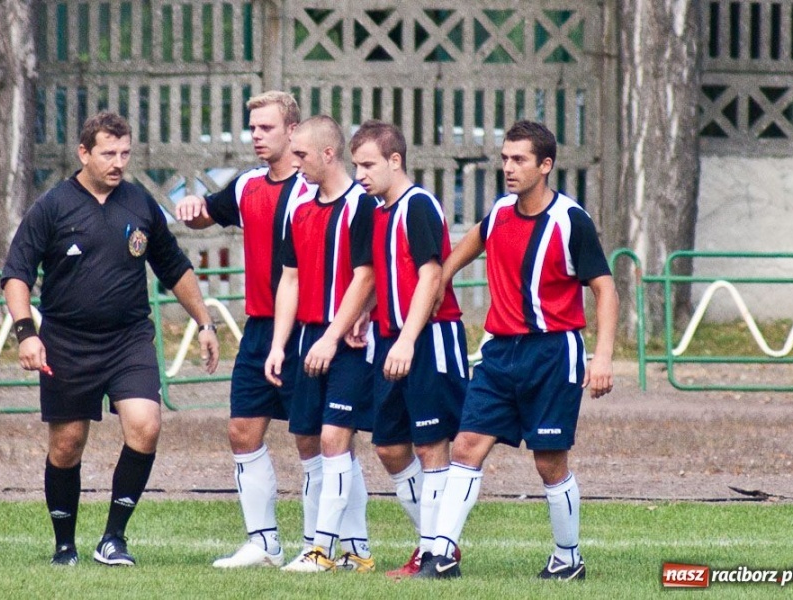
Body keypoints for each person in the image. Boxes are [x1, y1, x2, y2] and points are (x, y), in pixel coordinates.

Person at [1, 111, 221, 567]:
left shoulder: (139, 203)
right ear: (84, 153)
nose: (118, 162)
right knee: (67, 444)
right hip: (66, 340)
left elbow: (173, 267)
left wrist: (205, 322)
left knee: (146, 424)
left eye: (124, 153)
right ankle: (65, 546)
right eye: (108, 153)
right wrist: (27, 333)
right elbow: (16, 274)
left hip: (129, 339)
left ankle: (113, 539)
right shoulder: (53, 206)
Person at [416, 120, 618, 580]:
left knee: (549, 462)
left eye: (519, 159)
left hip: (552, 354)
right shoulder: (501, 212)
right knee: (466, 445)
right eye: (505, 158)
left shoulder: (571, 220)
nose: (508, 167)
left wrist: (602, 357)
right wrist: (437, 285)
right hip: (499, 353)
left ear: (545, 166)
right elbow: (456, 258)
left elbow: (605, 290)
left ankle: (568, 559)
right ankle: (441, 556)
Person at [175, 91, 320, 568]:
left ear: (293, 131)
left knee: (312, 438)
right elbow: (206, 216)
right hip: (259, 328)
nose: (257, 136)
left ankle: (321, 544)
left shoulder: (315, 189)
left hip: (307, 331)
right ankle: (264, 543)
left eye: (267, 127)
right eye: (253, 127)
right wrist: (193, 206)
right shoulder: (246, 185)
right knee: (242, 430)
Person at [348, 120, 468, 577]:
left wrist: (407, 338)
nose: (360, 174)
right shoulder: (379, 211)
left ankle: (435, 553)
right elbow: (390, 274)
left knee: (431, 446)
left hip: (428, 338)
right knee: (389, 447)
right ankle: (438, 542)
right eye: (355, 165)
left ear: (395, 161)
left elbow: (431, 275)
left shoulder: (418, 205)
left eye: (368, 165)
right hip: (392, 337)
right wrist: (369, 310)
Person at [264, 115, 377, 572]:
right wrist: (278, 344)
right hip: (308, 339)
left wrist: (334, 336)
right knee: (311, 443)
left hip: (346, 340)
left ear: (329, 155)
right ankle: (358, 551)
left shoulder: (361, 206)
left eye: (302, 155)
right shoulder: (299, 205)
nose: (295, 163)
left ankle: (321, 550)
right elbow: (289, 279)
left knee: (335, 439)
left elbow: (365, 275)